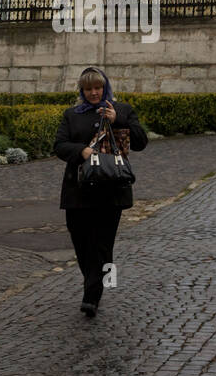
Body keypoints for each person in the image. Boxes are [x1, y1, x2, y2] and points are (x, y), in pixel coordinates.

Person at [54, 67, 147, 317]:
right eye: (88, 89)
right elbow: (60, 145)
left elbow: (141, 142)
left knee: (103, 245)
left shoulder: (123, 110)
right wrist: (82, 151)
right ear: (82, 91)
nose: (94, 93)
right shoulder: (72, 115)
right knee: (82, 244)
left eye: (98, 88)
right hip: (78, 190)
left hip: (111, 190)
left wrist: (118, 120)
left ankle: (92, 296)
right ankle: (93, 281)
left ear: (105, 87)